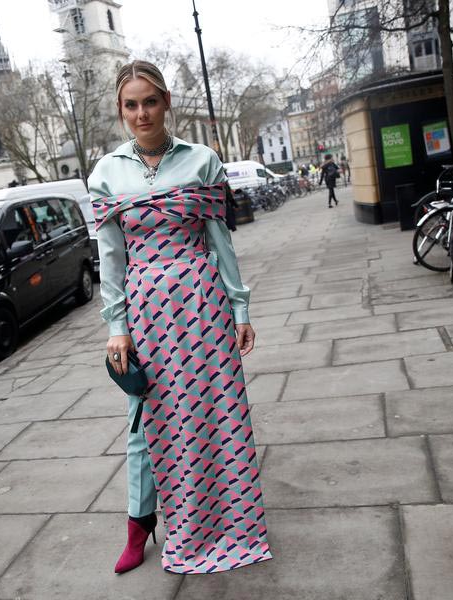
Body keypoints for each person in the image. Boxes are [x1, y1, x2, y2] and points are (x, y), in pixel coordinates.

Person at [89, 60, 272, 575]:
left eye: (150, 101)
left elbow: (221, 242)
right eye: (131, 104)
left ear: (166, 102)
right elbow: (111, 257)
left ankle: (231, 523)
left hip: (202, 303)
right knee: (144, 420)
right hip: (145, 310)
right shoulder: (106, 173)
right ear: (121, 110)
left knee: (218, 411)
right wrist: (116, 328)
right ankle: (140, 523)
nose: (141, 112)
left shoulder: (202, 160)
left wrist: (241, 308)